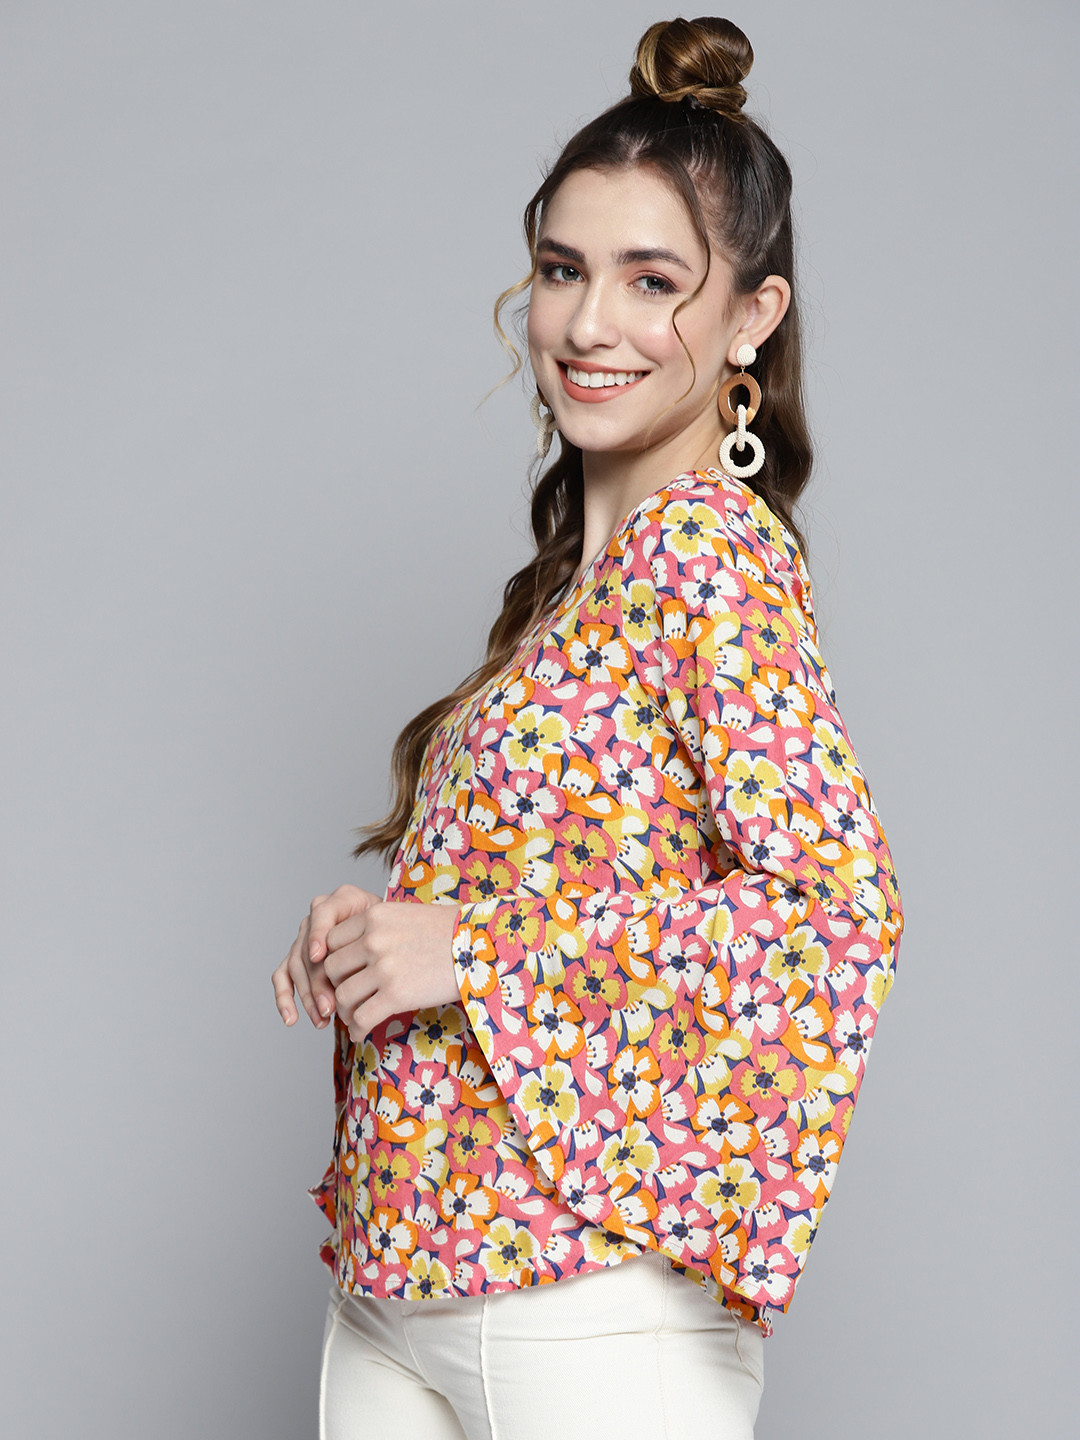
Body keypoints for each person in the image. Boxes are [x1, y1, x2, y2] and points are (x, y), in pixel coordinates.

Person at [272, 16, 903, 1439]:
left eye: (651, 280)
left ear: (753, 317)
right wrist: (384, 941)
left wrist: (470, 952)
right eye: (563, 270)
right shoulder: (575, 593)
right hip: (401, 1275)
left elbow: (834, 915)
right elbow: (558, 885)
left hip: (581, 1306)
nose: (587, 323)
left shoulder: (708, 555)